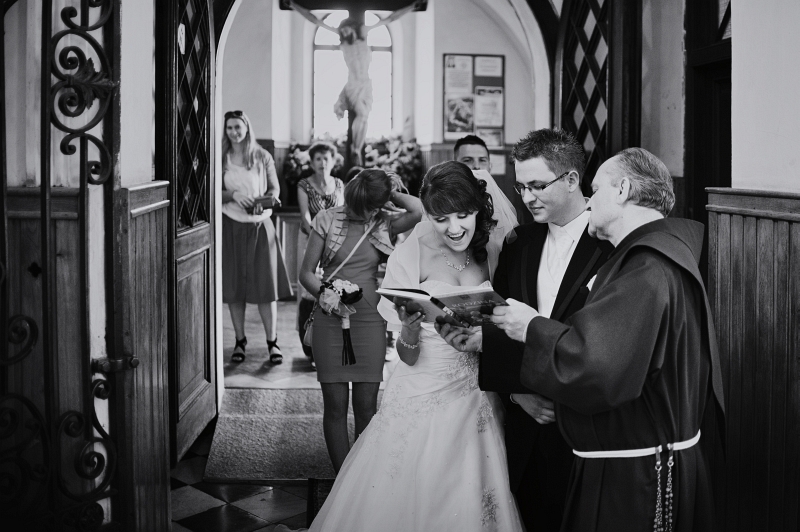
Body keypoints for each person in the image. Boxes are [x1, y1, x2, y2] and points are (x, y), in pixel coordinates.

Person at [440, 148, 725, 532]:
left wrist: (530, 326)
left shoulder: (647, 267)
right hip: (630, 457)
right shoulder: (657, 254)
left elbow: (596, 365)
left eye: (597, 189)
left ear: (622, 189)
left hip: (635, 475)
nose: (590, 201)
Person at [302, 161, 523, 532]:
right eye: (441, 219)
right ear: (429, 215)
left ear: (478, 209)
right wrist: (409, 329)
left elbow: (506, 322)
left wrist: (485, 334)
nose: (454, 229)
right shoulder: (410, 255)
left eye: (463, 216)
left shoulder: (493, 248)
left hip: (476, 392)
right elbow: (407, 355)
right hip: (420, 389)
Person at [475, 128, 613, 531]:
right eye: (520, 187)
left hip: (585, 426)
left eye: (537, 185)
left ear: (571, 179)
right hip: (526, 424)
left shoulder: (612, 246)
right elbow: (499, 319)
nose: (527, 197)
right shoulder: (519, 241)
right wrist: (517, 394)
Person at [299, 169, 422, 473]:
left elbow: (418, 210)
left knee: (367, 408)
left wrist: (389, 190)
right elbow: (305, 274)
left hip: (369, 321)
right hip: (330, 319)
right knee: (335, 406)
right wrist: (325, 294)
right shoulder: (326, 219)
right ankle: (343, 478)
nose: (361, 213)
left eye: (368, 207)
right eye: (358, 205)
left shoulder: (383, 222)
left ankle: (361, 475)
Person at [289, 1, 418, 165]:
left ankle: (357, 147)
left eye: (346, 28)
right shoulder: (344, 42)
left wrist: (411, 7)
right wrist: (294, 5)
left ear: (352, 26)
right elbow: (314, 20)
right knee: (361, 114)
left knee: (364, 117)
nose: (344, 32)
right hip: (352, 84)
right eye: (342, 30)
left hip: (366, 83)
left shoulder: (364, 31)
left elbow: (390, 19)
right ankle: (356, 148)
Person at [221, 110, 292, 364]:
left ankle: (272, 342)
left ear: (247, 128)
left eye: (238, 127)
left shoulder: (262, 156)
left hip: (260, 227)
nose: (234, 132)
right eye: (230, 127)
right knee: (234, 288)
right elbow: (211, 190)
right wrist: (232, 195)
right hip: (231, 225)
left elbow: (275, 189)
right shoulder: (221, 156)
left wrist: (264, 202)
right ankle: (240, 341)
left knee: (266, 287)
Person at [296, 142, 346, 368]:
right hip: (310, 240)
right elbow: (305, 217)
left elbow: (343, 213)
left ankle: (331, 343)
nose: (322, 163)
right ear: (312, 162)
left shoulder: (339, 184)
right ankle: (310, 346)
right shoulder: (304, 185)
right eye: (318, 158)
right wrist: (319, 238)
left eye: (326, 158)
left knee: (334, 289)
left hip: (335, 244)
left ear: (333, 161)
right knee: (310, 291)